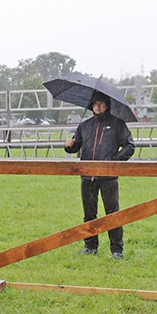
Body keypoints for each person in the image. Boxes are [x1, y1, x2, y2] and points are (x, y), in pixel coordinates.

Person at [63, 92, 135, 259]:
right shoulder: (84, 125)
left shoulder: (117, 124)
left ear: (107, 105)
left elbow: (129, 146)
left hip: (108, 177)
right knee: (89, 213)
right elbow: (76, 147)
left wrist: (113, 162)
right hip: (87, 176)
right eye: (95, 103)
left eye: (101, 103)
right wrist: (68, 146)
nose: (98, 106)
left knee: (112, 213)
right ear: (91, 106)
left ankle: (117, 249)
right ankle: (90, 246)